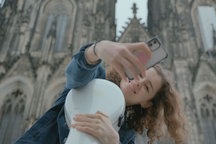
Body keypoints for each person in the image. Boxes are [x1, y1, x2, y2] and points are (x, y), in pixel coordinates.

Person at [15, 40, 186, 144]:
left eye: (147, 87)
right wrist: (98, 49)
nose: (138, 82)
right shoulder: (92, 79)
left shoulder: (126, 137)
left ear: (147, 102)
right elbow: (76, 74)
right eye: (139, 73)